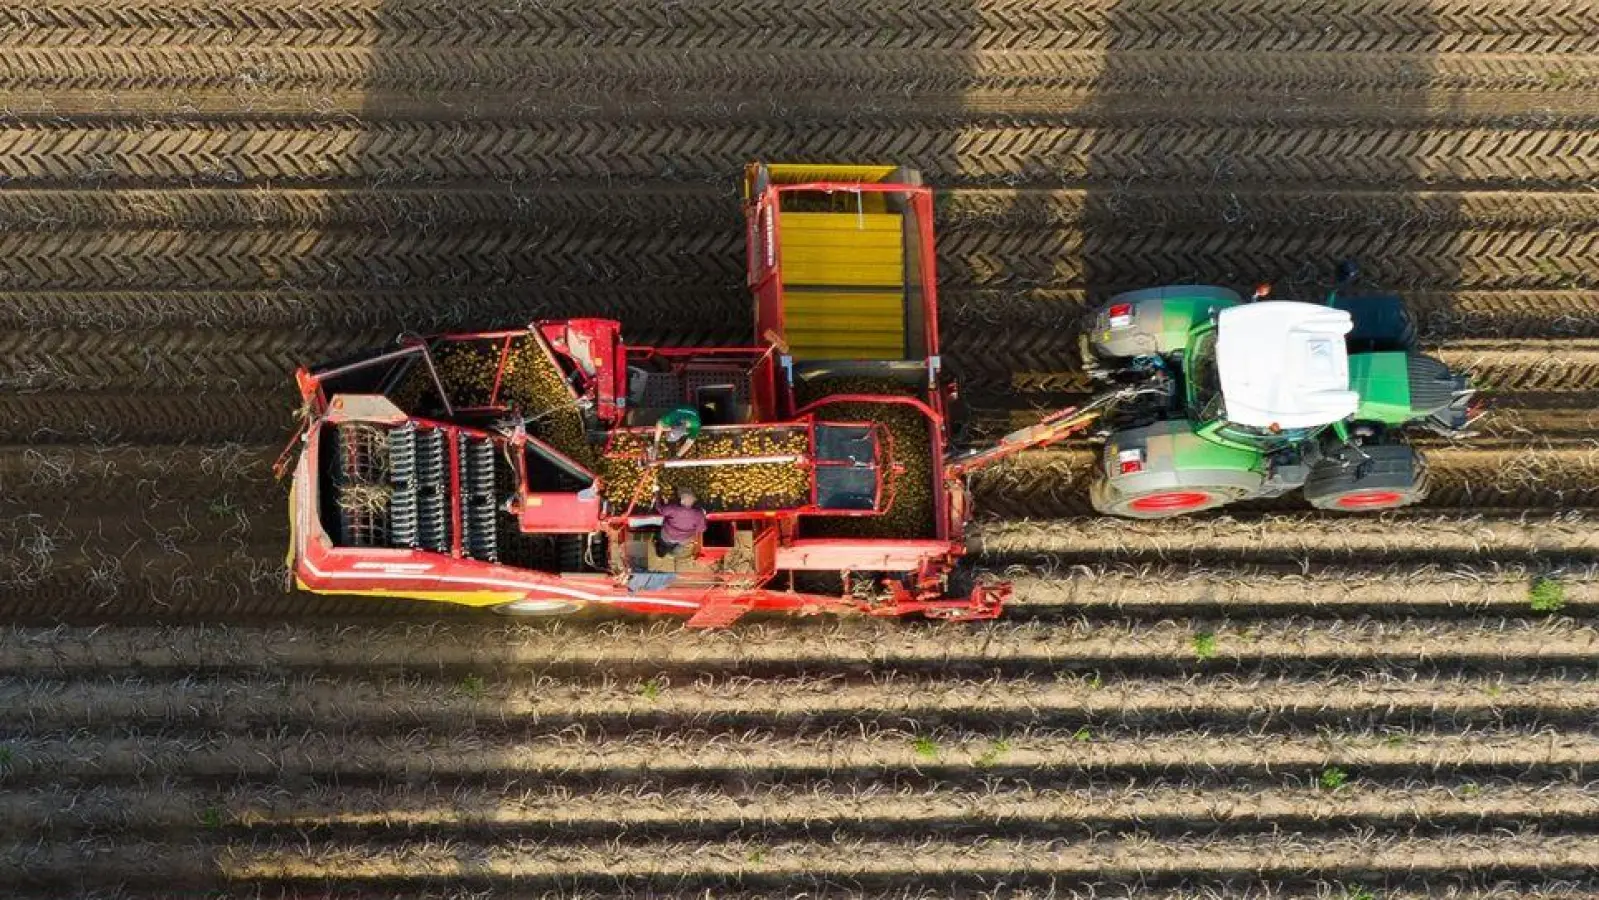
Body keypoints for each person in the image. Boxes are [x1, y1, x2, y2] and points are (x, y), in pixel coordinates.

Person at [654, 487, 708, 559]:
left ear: (681, 501)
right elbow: (701, 529)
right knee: (679, 544)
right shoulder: (699, 514)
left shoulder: (673, 508)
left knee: (664, 542)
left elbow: (660, 509)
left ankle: (667, 551)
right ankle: (673, 552)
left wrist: (657, 494)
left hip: (668, 534)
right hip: (684, 538)